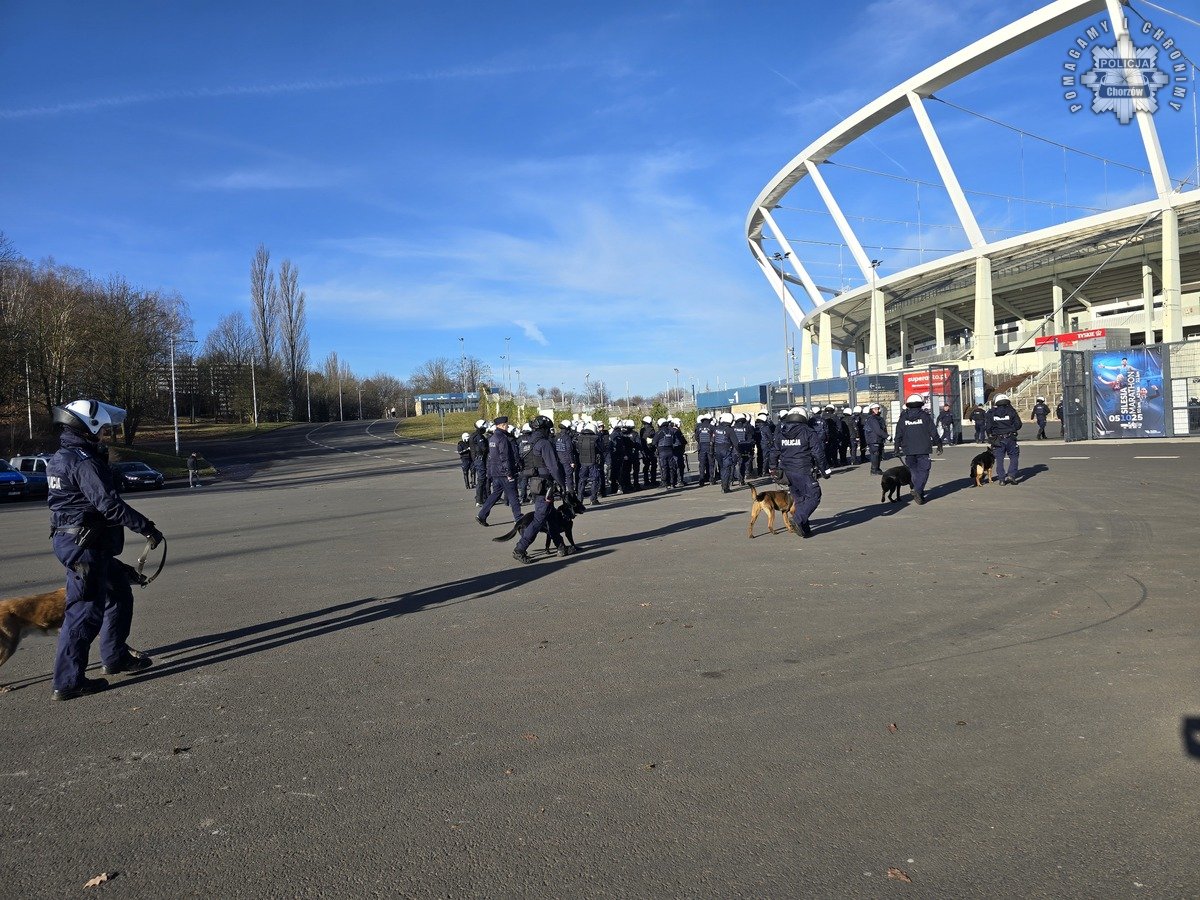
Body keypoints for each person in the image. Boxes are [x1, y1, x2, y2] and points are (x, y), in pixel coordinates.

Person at [46, 399, 164, 701]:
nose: (106, 433)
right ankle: (68, 682)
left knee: (120, 593)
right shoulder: (83, 461)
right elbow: (108, 504)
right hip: (84, 545)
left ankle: (115, 657)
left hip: (81, 542)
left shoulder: (63, 456)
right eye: (103, 428)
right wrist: (146, 527)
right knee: (84, 612)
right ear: (88, 426)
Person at [513, 416, 571, 564]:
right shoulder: (544, 443)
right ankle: (520, 549)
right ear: (544, 429)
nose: (549, 432)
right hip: (545, 485)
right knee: (539, 519)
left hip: (535, 483)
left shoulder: (528, 443)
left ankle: (560, 546)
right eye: (548, 429)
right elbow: (553, 467)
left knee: (551, 517)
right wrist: (562, 484)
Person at [768, 406, 825, 538]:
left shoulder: (782, 432)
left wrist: (773, 468)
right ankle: (798, 519)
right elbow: (818, 453)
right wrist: (825, 470)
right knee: (814, 495)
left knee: (800, 499)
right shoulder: (808, 431)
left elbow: (774, 451)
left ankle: (805, 529)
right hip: (803, 470)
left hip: (787, 472)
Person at [893, 394, 942, 504]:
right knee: (924, 470)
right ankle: (917, 489)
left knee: (913, 470)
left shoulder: (903, 418)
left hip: (908, 449)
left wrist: (896, 448)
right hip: (923, 449)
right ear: (920, 404)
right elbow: (933, 431)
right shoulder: (925, 416)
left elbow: (898, 434)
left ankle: (919, 492)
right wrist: (939, 443)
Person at [477, 417, 522, 526]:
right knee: (513, 495)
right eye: (506, 424)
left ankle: (482, 515)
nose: (507, 426)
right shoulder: (502, 438)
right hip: (504, 472)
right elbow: (504, 456)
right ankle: (518, 518)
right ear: (502, 425)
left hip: (495, 472)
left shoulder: (493, 438)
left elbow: (492, 456)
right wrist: (508, 472)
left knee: (495, 494)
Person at [985, 393, 1023, 485]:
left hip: (997, 439)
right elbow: (1018, 424)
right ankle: (1011, 475)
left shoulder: (991, 412)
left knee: (999, 459)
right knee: (1014, 456)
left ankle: (1001, 479)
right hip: (1010, 438)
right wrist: (1011, 428)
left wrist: (991, 435)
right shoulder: (1011, 411)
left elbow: (988, 427)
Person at [576, 423, 603, 506]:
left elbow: (577, 449)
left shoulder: (579, 438)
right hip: (593, 462)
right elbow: (601, 449)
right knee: (595, 479)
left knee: (582, 480)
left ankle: (579, 500)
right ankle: (593, 499)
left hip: (583, 462)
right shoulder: (596, 438)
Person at [655, 418, 682, 490]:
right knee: (671, 467)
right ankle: (672, 483)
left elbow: (654, 442)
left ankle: (665, 483)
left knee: (664, 468)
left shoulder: (659, 432)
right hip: (670, 451)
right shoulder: (671, 431)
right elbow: (674, 441)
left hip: (662, 452)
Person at [862, 403, 887, 474]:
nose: (877, 410)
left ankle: (877, 468)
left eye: (878, 409)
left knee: (878, 455)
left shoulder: (879, 418)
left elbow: (883, 428)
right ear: (871, 410)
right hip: (873, 439)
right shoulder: (872, 419)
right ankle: (874, 469)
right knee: (875, 454)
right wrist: (887, 436)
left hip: (878, 439)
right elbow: (877, 430)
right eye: (875, 409)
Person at [469, 419, 489, 507]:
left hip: (477, 460)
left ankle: (483, 498)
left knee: (482, 479)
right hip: (480, 460)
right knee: (481, 479)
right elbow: (483, 448)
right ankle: (479, 500)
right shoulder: (479, 437)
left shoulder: (473, 435)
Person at [694, 413, 716, 486]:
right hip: (710, 447)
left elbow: (696, 437)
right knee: (711, 464)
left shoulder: (699, 427)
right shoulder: (712, 427)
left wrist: (700, 442)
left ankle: (701, 480)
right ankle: (711, 480)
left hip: (701, 447)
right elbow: (714, 437)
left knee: (702, 464)